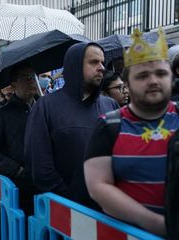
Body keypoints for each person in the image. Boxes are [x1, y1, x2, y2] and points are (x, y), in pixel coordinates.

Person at [84, 28, 179, 236]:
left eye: (161, 73)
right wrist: (156, 224)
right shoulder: (108, 126)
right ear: (127, 85)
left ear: (172, 78)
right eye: (142, 76)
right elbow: (98, 187)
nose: (153, 81)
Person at [24, 42, 118, 208]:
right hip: (66, 212)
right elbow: (39, 166)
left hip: (109, 211)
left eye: (102, 62)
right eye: (94, 62)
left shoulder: (111, 106)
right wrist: (70, 202)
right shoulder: (46, 107)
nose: (102, 67)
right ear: (75, 66)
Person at [0, 63, 38, 216]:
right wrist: (18, 170)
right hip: (19, 190)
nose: (31, 81)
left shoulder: (43, 109)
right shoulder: (2, 114)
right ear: (13, 85)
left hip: (44, 186)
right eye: (25, 78)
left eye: (33, 77)